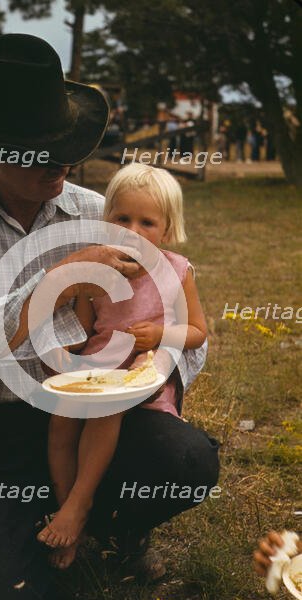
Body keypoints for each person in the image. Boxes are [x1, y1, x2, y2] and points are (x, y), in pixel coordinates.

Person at [0, 34, 219, 600]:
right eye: (43, 152)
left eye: (68, 150)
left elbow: (189, 331)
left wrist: (152, 348)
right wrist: (53, 281)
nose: (63, 164)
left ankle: (110, 529)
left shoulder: (97, 209)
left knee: (185, 461)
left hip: (95, 410)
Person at [37, 164, 207, 569]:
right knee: (61, 421)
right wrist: (73, 292)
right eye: (122, 218)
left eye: (147, 222)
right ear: (106, 219)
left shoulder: (176, 272)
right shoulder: (98, 269)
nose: (133, 230)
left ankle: (80, 503)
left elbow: (198, 331)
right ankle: (68, 511)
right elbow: (81, 330)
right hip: (96, 368)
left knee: (106, 408)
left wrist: (162, 335)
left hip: (139, 374)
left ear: (166, 230)